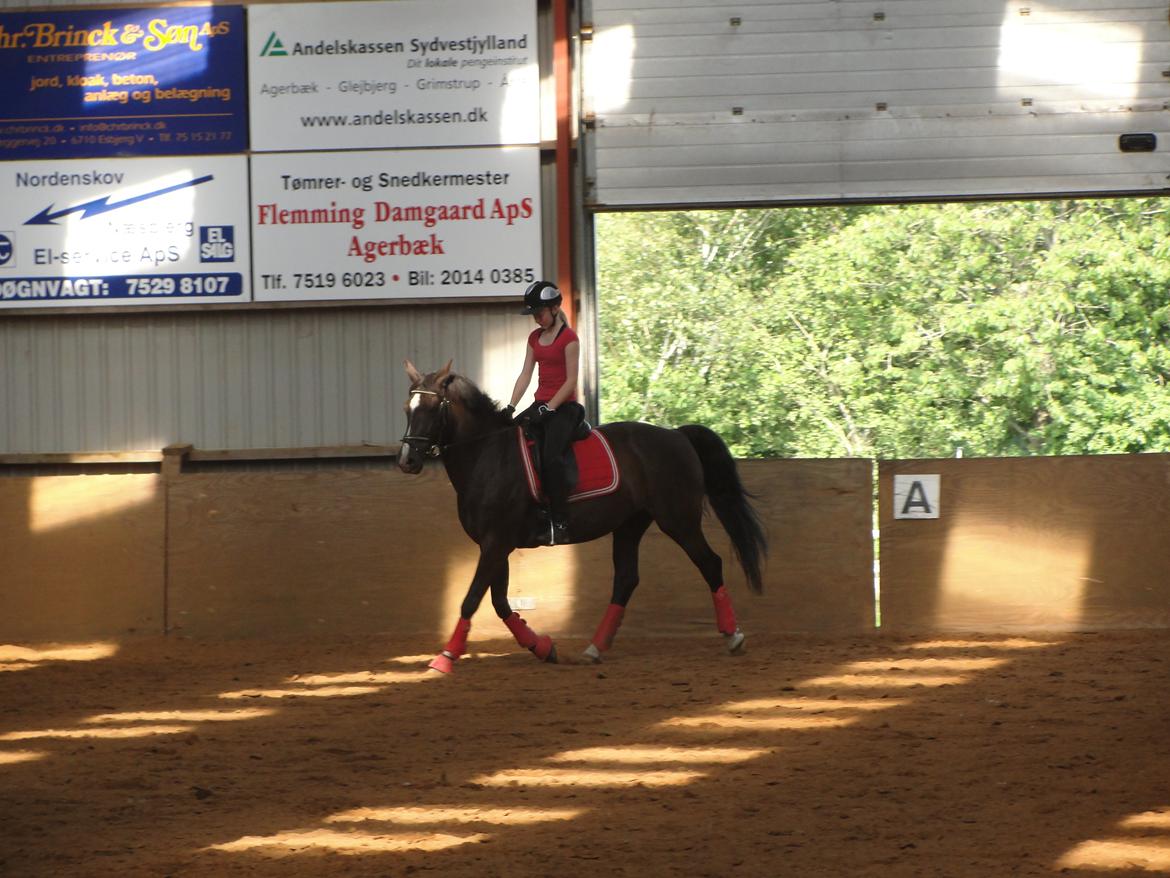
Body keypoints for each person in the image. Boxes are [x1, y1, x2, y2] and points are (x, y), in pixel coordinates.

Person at [505, 280, 583, 546]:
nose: (536, 318)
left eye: (539, 312)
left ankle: (560, 522)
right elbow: (526, 375)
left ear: (554, 307)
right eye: (534, 314)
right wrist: (511, 406)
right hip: (540, 405)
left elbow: (571, 381)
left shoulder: (569, 339)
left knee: (551, 457)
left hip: (564, 408)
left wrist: (550, 408)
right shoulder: (534, 338)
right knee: (510, 441)